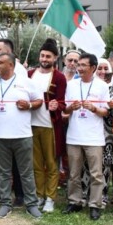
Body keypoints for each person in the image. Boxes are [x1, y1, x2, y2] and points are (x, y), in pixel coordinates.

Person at [0, 52, 43, 219]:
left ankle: (31, 204)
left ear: (11, 65)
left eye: (0, 62)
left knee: (26, 172)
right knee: (3, 172)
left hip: (22, 135)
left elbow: (39, 101)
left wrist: (29, 104)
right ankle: (5, 204)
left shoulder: (26, 82)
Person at [62, 53, 111, 221]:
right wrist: (72, 108)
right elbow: (65, 111)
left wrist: (94, 109)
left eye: (83, 65)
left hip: (94, 137)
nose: (79, 68)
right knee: (74, 173)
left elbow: (105, 111)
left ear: (93, 68)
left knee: (96, 174)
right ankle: (74, 201)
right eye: (78, 64)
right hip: (74, 136)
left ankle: (95, 205)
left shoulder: (102, 86)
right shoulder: (71, 85)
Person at [28, 39, 66, 213]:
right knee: (36, 163)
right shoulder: (29, 74)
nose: (44, 58)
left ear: (55, 58)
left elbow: (63, 101)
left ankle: (50, 197)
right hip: (30, 125)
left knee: (51, 163)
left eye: (48, 56)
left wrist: (56, 105)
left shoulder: (59, 77)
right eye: (42, 55)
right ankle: (39, 195)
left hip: (50, 126)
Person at [83, 59, 113, 206]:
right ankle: (85, 195)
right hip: (88, 132)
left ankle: (102, 196)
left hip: (108, 136)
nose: (103, 72)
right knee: (87, 165)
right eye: (100, 68)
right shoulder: (87, 87)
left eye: (106, 68)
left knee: (104, 166)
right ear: (93, 69)